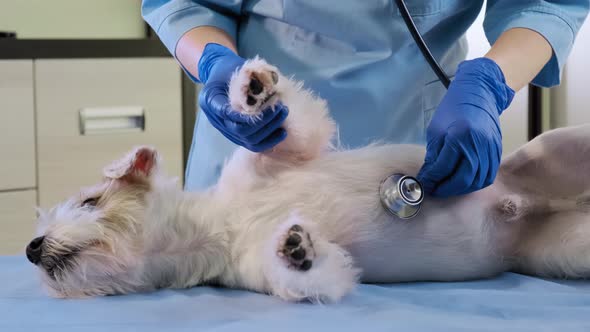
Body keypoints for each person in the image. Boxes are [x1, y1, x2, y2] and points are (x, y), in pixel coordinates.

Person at [142, 0, 588, 197]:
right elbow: (186, 3)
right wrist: (216, 63)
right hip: (252, 151)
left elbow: (545, 3)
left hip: (412, 162)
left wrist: (492, 81)